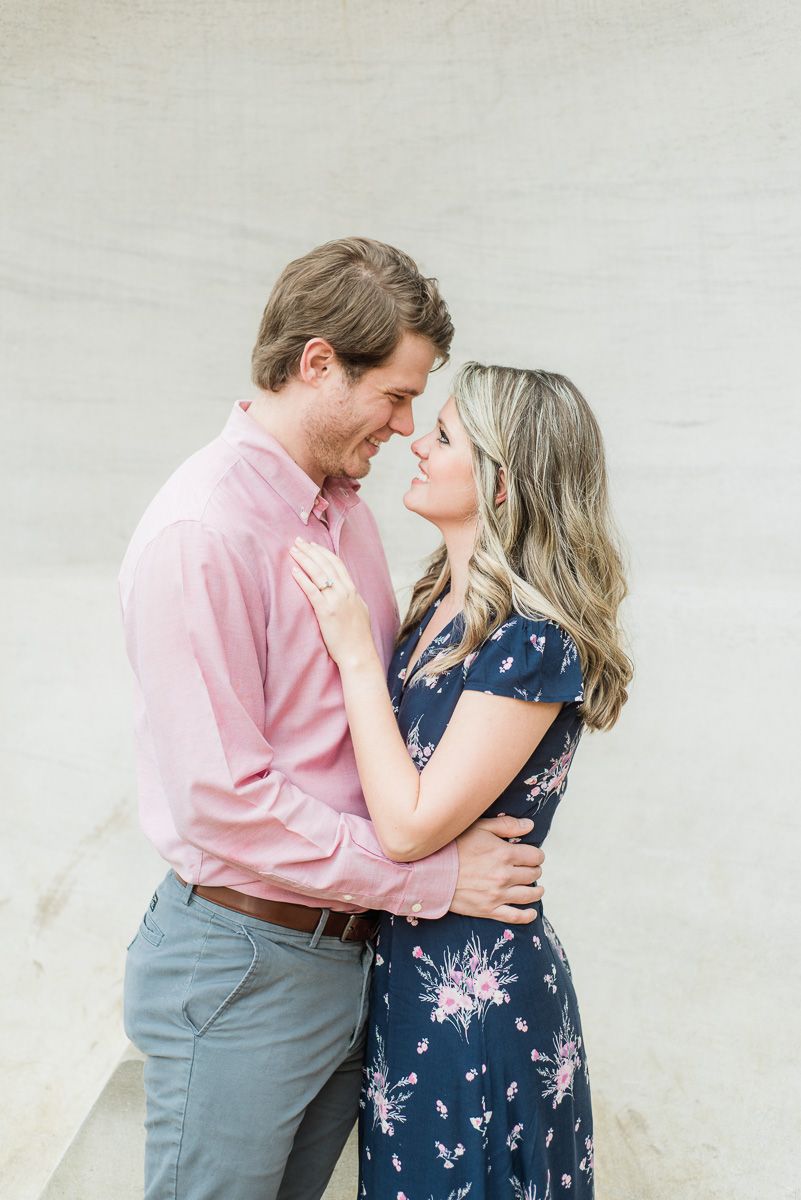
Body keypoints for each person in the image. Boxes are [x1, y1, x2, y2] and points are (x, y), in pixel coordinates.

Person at [119, 239, 548, 1200]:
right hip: (243, 961)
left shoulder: (342, 507)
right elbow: (222, 802)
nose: (405, 427)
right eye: (395, 396)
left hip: (351, 954)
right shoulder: (204, 533)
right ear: (319, 363)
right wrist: (430, 877)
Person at [289, 361, 633, 1199]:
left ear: (501, 483)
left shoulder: (532, 641)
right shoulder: (440, 602)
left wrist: (355, 654)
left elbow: (408, 827)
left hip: (476, 1001)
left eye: (442, 437)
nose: (415, 442)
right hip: (413, 976)